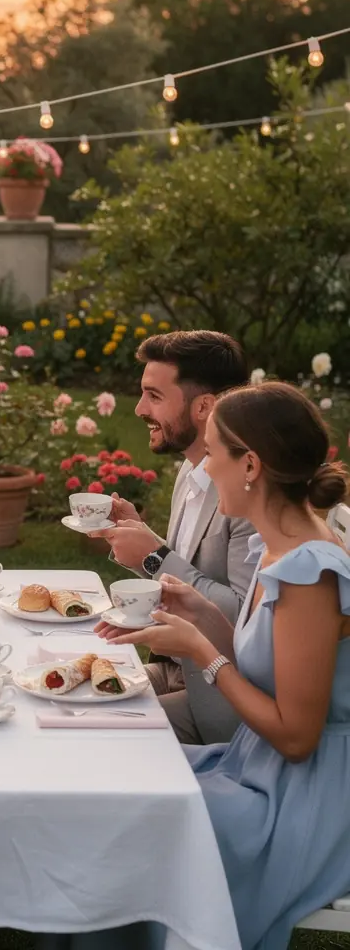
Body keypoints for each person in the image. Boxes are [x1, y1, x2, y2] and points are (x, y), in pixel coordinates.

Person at [108, 381, 350, 950]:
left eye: (213, 452)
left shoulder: (309, 574)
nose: (205, 467)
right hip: (256, 765)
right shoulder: (278, 546)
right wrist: (204, 615)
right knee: (119, 780)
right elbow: (271, 662)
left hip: (304, 796)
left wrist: (204, 654)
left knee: (140, 821)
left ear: (250, 465)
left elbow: (297, 737)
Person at [94, 330, 255, 744]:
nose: (139, 409)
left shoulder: (249, 493)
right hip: (176, 668)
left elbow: (245, 617)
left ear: (204, 406)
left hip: (221, 698)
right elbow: (182, 568)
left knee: (95, 732)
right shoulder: (191, 470)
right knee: (63, 694)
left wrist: (154, 556)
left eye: (154, 396)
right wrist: (138, 538)